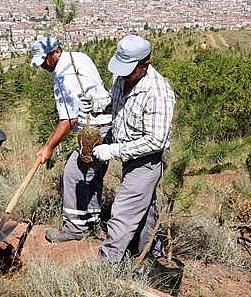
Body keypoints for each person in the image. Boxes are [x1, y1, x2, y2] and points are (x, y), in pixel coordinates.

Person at [93, 35, 175, 263]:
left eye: (129, 69)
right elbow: (116, 102)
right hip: (128, 155)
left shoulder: (158, 93)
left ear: (146, 63)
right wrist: (100, 104)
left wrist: (113, 150)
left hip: (146, 161)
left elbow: (156, 141)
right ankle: (150, 255)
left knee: (123, 212)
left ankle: (106, 265)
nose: (123, 74)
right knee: (145, 208)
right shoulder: (122, 77)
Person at [29, 36, 113, 243]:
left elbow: (68, 120)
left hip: (93, 129)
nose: (43, 67)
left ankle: (74, 228)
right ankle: (92, 221)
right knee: (92, 174)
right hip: (109, 124)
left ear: (55, 52)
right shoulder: (80, 57)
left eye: (44, 61)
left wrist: (48, 147)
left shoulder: (63, 75)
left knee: (73, 174)